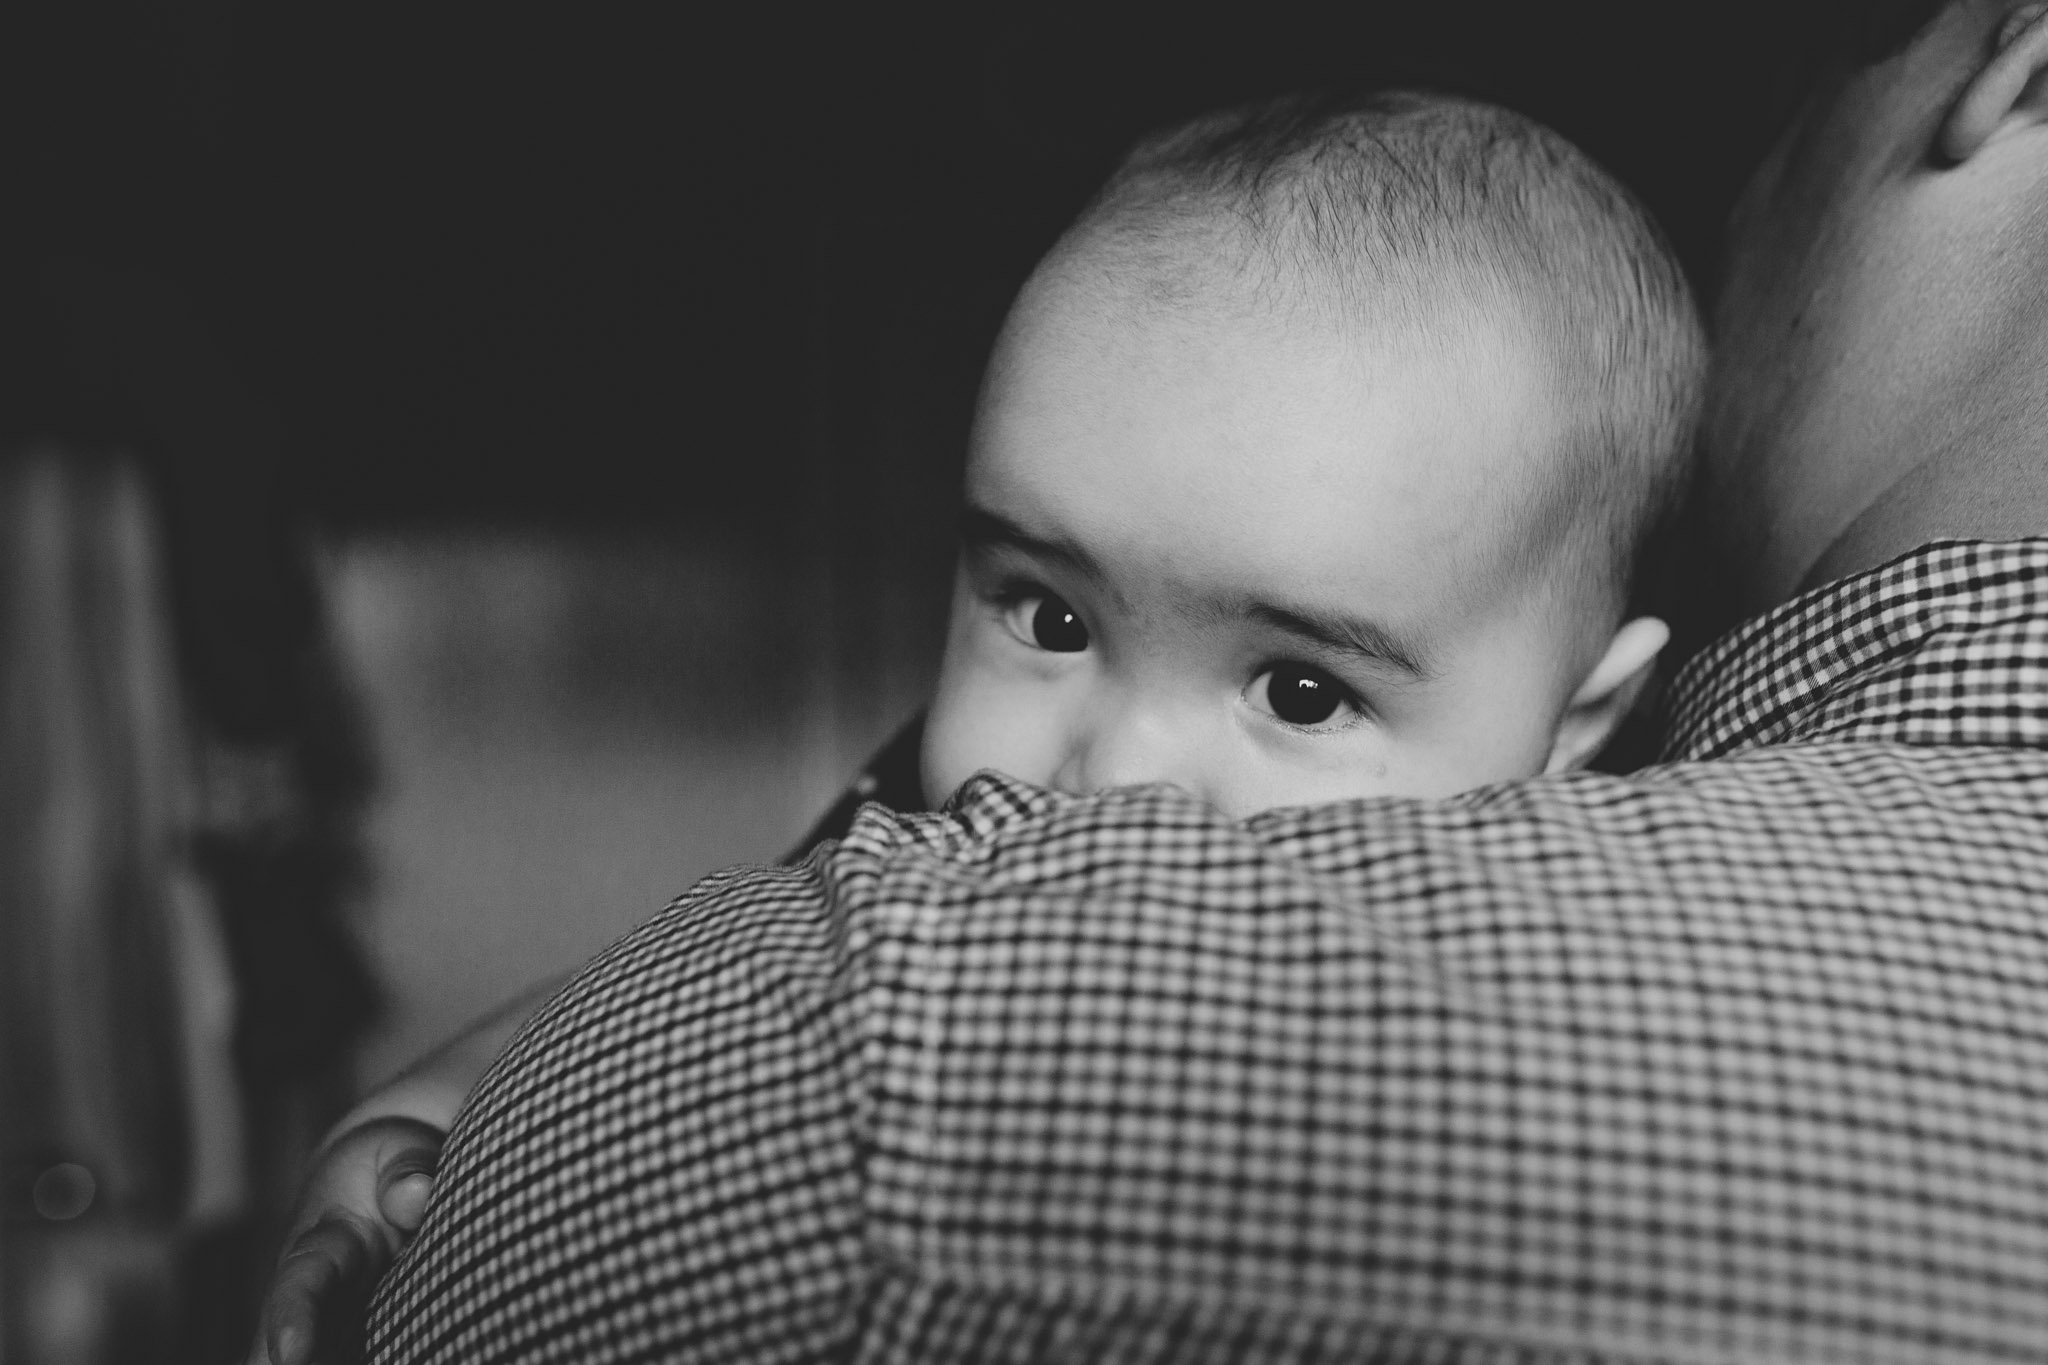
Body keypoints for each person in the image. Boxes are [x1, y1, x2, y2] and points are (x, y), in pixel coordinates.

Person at [304, 0, 2048, 1357]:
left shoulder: (954, 1083)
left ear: (1583, 731)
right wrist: (456, 1082)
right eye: (1047, 613)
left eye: (1297, 691)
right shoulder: (959, 827)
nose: (1109, 776)